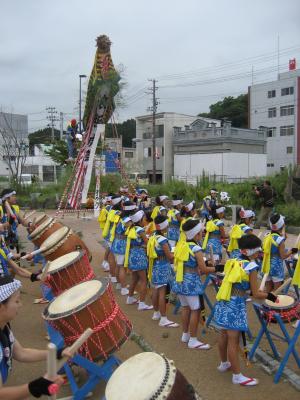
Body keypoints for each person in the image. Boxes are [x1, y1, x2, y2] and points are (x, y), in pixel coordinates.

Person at [214, 234, 278, 386]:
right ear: (253, 251)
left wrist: (250, 290)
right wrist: (271, 295)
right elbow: (256, 294)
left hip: (224, 300)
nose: (259, 253)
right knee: (233, 340)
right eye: (258, 250)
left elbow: (237, 284)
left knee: (223, 334)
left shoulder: (233, 261)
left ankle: (224, 364)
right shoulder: (251, 267)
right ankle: (237, 376)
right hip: (235, 305)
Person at [0, 275, 67, 398]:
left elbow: (21, 353)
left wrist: (55, 353)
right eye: (16, 301)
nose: (20, 305)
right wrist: (35, 387)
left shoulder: (4, 326)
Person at [172, 219, 221, 350]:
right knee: (195, 309)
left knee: (185, 307)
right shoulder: (196, 248)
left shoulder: (181, 245)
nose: (202, 233)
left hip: (180, 280)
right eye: (200, 232)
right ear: (196, 234)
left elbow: (189, 264)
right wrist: (218, 268)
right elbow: (204, 269)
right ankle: (193, 340)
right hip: (190, 282)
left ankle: (185, 334)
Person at [147, 215, 178, 328]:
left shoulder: (153, 236)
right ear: (165, 225)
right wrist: (178, 254)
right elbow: (170, 256)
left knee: (156, 289)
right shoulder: (163, 240)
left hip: (155, 265)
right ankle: (164, 318)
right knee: (162, 292)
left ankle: (156, 313)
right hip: (163, 266)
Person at [125, 210, 153, 311]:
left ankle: (130, 297)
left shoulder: (132, 228)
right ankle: (142, 303)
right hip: (140, 255)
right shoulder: (140, 230)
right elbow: (148, 242)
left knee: (134, 278)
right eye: (143, 218)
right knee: (144, 280)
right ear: (140, 220)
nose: (144, 219)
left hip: (132, 255)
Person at [261, 213, 297, 292]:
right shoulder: (280, 240)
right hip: (276, 267)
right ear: (282, 225)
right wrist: (292, 251)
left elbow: (280, 237)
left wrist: (282, 229)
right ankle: (272, 303)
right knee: (276, 290)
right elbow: (283, 256)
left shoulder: (267, 236)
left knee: (268, 289)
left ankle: (266, 303)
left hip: (266, 265)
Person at [110, 201, 136, 296]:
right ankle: (124, 288)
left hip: (116, 243)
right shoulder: (127, 220)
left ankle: (119, 284)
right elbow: (133, 231)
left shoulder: (120, 217)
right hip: (122, 245)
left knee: (118, 265)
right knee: (122, 267)